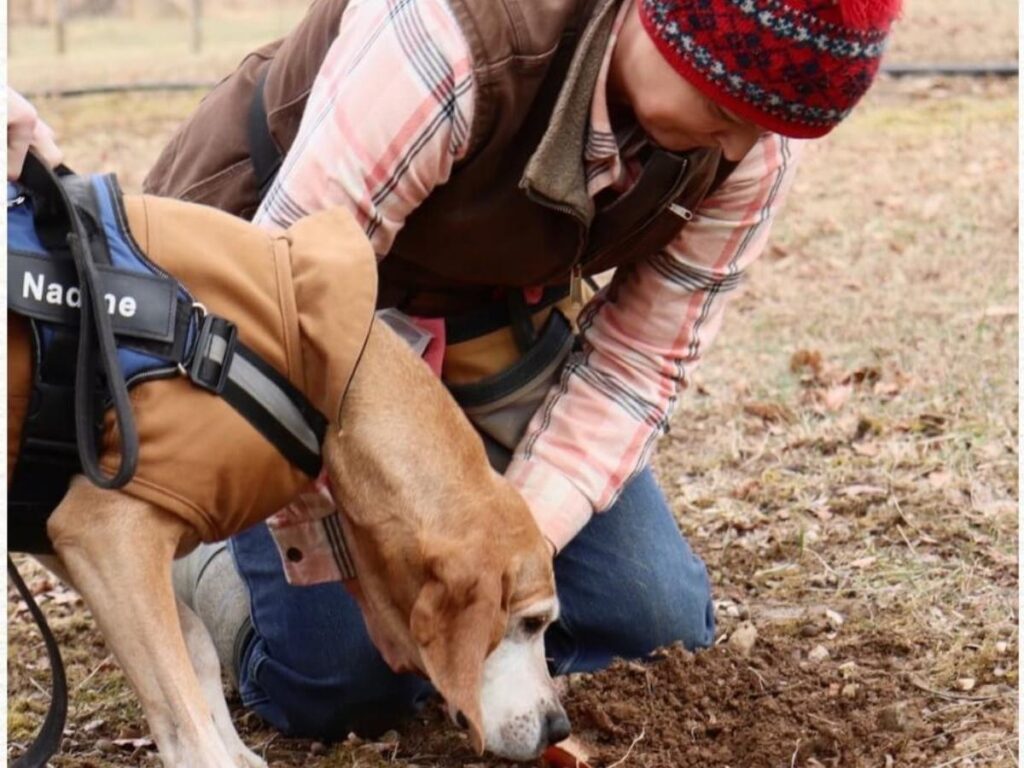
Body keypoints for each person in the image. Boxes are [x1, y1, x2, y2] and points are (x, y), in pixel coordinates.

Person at [160, 0, 902, 742]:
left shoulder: (754, 148)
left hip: (478, 317)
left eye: (769, 124)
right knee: (344, 682)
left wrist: (512, 556)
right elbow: (287, 309)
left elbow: (636, 368)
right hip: (250, 313)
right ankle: (203, 549)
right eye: (720, 103)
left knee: (651, 621)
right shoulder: (458, 34)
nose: (739, 143)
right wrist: (355, 569)